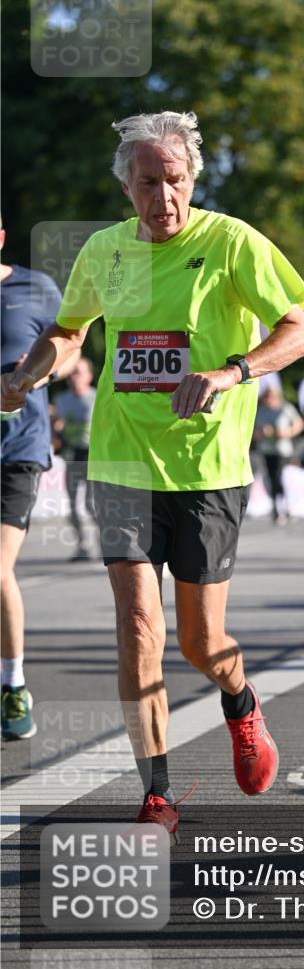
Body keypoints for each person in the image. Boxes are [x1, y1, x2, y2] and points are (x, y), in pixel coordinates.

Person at [1, 111, 304, 836]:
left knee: (202, 644)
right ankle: (158, 795)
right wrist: (26, 374)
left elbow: (299, 328)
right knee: (139, 624)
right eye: (149, 183)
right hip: (121, 460)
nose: (164, 197)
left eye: (175, 181)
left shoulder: (232, 242)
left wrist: (234, 370)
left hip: (207, 468)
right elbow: (69, 330)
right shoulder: (105, 252)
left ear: (192, 179)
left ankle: (239, 700)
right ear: (125, 186)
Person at [1, 221, 80, 740]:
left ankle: (13, 686)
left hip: (17, 451)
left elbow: (69, 344)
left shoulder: (35, 287)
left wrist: (32, 377)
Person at [53, 357, 97, 560]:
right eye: (71, 372)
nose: (73, 377)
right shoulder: (62, 399)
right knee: (72, 506)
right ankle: (83, 546)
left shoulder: (96, 398)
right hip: (72, 455)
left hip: (94, 456)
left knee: (91, 504)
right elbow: (57, 424)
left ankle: (106, 543)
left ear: (89, 376)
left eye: (78, 372)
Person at [253, 382, 303, 524]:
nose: (269, 399)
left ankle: (286, 506)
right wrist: (261, 433)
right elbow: (252, 431)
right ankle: (276, 507)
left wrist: (287, 432)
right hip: (267, 450)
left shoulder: (285, 408)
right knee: (270, 478)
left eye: (271, 396)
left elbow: (299, 424)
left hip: (283, 451)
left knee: (280, 477)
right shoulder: (261, 411)